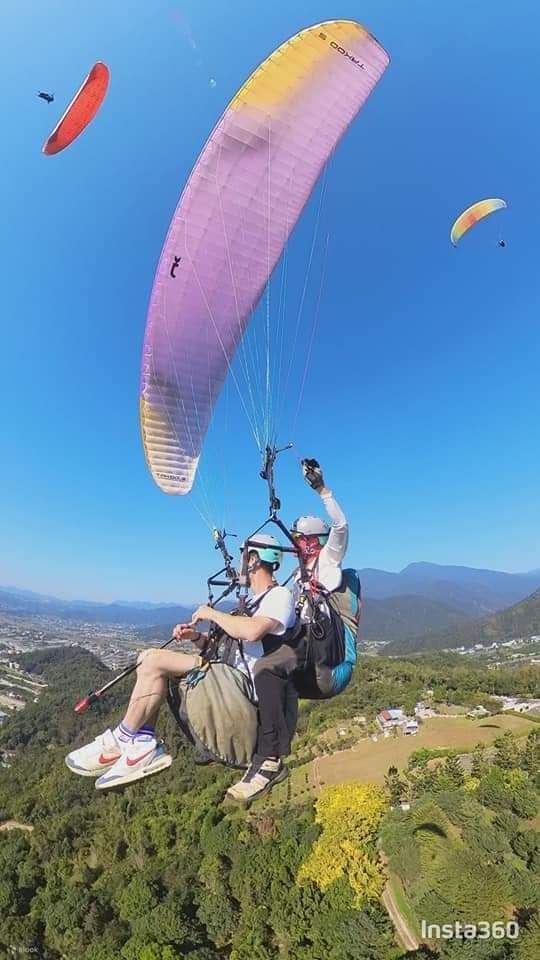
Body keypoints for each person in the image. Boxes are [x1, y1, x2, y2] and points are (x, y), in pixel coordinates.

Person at [65, 534, 295, 791]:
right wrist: (196, 637)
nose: (239, 565)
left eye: (244, 557)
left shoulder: (280, 596)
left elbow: (252, 632)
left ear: (253, 560)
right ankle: (141, 740)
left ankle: (124, 738)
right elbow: (230, 647)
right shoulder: (252, 602)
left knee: (153, 660)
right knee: (146, 660)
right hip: (227, 678)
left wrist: (212, 614)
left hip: (244, 690)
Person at [226, 459, 352, 804]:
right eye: (296, 541)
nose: (298, 546)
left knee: (269, 667)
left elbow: (341, 527)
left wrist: (322, 490)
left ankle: (270, 759)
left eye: (302, 541)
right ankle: (251, 745)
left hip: (320, 642)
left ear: (315, 542)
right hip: (302, 640)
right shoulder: (294, 577)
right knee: (256, 663)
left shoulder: (327, 562)